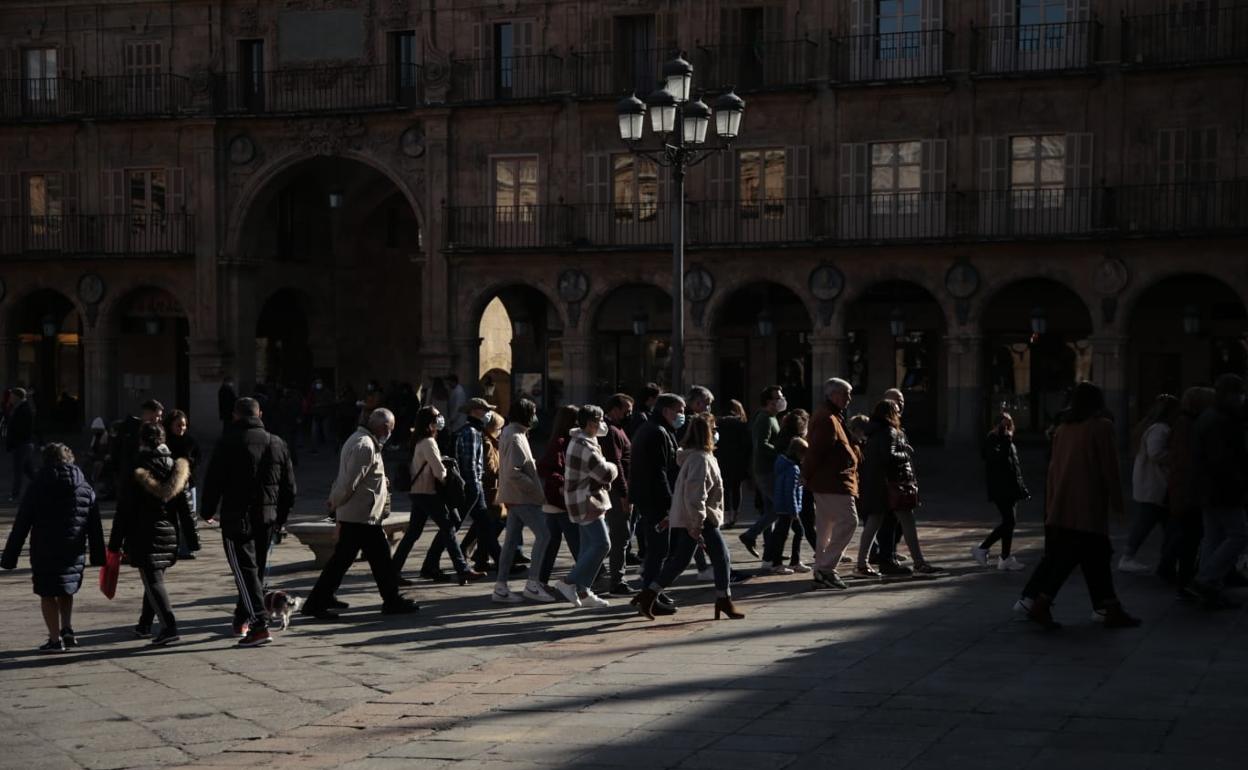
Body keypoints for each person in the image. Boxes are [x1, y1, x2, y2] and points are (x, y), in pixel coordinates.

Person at [1016, 382, 1140, 629]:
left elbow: (1053, 470)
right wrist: (1118, 503)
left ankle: (1109, 606)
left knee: (1095, 555)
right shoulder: (1101, 427)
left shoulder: (1064, 428)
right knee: (1076, 555)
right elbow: (1110, 468)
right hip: (1088, 502)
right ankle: (1043, 603)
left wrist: (1052, 505)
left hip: (1063, 502)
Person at [302, 409, 418, 618]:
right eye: (390, 428)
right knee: (375, 558)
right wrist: (334, 504)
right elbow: (349, 482)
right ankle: (390, 601)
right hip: (361, 516)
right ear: (383, 427)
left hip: (361, 514)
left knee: (350, 560)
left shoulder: (363, 441)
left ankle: (321, 600)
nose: (390, 433)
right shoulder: (364, 445)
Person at [200, 397, 297, 646]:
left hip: (237, 517)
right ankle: (242, 617)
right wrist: (280, 519)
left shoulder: (229, 442)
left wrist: (207, 510)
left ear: (235, 416)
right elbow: (290, 488)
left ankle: (259, 624)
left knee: (245, 572)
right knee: (255, 571)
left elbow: (214, 481)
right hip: (267, 518)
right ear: (260, 414)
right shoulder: (277, 443)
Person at [636, 413, 743, 620]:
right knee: (722, 558)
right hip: (701, 519)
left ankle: (648, 594)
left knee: (680, 561)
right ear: (708, 434)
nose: (716, 433)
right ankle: (724, 599)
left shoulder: (697, 457)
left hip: (693, 518)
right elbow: (696, 494)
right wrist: (697, 523)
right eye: (714, 429)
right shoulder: (700, 459)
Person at [2, 443, 105, 653]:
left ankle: (54, 638)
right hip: (73, 548)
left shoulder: (38, 485)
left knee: (48, 592)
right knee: (66, 588)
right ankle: (67, 629)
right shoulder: (84, 487)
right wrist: (98, 555)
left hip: (45, 548)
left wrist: (10, 556)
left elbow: (22, 522)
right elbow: (94, 524)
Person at [109, 422, 190, 646]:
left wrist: (114, 543)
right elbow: (185, 507)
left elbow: (124, 509)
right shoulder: (176, 466)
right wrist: (192, 539)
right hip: (169, 533)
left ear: (142, 441)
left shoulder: (137, 468)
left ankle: (169, 627)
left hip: (143, 532)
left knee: (153, 580)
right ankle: (145, 624)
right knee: (155, 579)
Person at [392, 406, 483, 585]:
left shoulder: (418, 440)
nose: (440, 420)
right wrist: (450, 477)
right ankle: (462, 570)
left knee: (413, 533)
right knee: (448, 528)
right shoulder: (428, 442)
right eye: (437, 417)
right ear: (429, 422)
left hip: (418, 492)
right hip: (428, 492)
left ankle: (393, 571)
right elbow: (439, 472)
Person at [855, 399, 938, 576]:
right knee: (907, 521)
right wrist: (905, 452)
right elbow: (889, 456)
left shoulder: (872, 432)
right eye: (896, 411)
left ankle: (861, 564)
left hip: (876, 484)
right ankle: (919, 562)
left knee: (873, 523)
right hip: (892, 485)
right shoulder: (890, 431)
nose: (899, 414)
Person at [1186, 374, 1248, 609]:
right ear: (1230, 395)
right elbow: (1223, 461)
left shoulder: (1210, 417)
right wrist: (1240, 483)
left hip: (1207, 488)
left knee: (1213, 536)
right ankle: (1206, 580)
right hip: (1222, 488)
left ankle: (1208, 585)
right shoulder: (1221, 421)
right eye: (1239, 393)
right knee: (1239, 534)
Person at [493, 398, 557, 603]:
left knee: (511, 542)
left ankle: (501, 587)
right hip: (522, 497)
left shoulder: (513, 433)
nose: (536, 417)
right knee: (544, 535)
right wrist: (534, 487)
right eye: (533, 412)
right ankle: (532, 583)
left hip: (514, 495)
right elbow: (514, 472)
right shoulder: (515, 436)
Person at [554, 405, 618, 608]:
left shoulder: (584, 440)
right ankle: (568, 582)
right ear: (591, 424)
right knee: (602, 544)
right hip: (586, 501)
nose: (603, 424)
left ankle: (584, 591)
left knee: (586, 548)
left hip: (582, 499)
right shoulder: (585, 445)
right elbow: (604, 473)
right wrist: (614, 467)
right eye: (600, 420)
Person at [628, 393, 685, 616]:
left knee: (659, 550)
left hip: (649, 498)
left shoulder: (653, 429)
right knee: (658, 550)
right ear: (666, 411)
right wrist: (670, 504)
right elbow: (659, 473)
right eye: (679, 410)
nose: (682, 415)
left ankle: (654, 592)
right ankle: (648, 595)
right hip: (655, 501)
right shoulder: (657, 432)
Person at [803, 378, 859, 590]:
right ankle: (826, 567)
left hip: (829, 480)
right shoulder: (827, 418)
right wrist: (806, 474)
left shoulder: (831, 415)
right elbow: (815, 451)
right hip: (832, 481)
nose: (848, 398)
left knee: (826, 526)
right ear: (833, 395)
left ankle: (821, 568)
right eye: (845, 394)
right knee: (849, 521)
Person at [1160, 386, 1216, 590]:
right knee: (1188, 536)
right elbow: (1187, 461)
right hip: (1187, 490)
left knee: (1185, 535)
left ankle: (1179, 573)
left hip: (1185, 489)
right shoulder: (1187, 425)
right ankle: (1184, 577)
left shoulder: (1187, 423)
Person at [1119, 394, 1180, 574]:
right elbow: (1156, 453)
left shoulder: (1151, 427)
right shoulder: (1160, 429)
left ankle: (1167, 559)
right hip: (1154, 485)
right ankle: (1128, 557)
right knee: (1146, 524)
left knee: (1162, 524)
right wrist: (1176, 456)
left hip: (1151, 485)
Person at [973, 412, 1029, 571]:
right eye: (1004, 425)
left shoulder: (1008, 441)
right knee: (1009, 522)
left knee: (1010, 523)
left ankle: (1005, 557)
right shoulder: (992, 439)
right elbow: (996, 460)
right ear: (996, 426)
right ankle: (982, 548)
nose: (1008, 429)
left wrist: (1021, 487)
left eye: (1010, 424)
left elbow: (1014, 466)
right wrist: (1005, 440)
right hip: (1000, 487)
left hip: (1010, 487)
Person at [453, 398, 503, 573]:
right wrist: (474, 486)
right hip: (473, 485)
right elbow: (470, 463)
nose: (487, 413)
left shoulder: (474, 430)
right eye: (484, 410)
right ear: (475, 411)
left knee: (485, 524)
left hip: (475, 484)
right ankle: (433, 562)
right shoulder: (472, 432)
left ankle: (500, 561)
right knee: (453, 526)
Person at [739, 386, 786, 558]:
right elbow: (762, 444)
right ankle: (750, 535)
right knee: (780, 508)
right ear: (769, 401)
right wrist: (781, 451)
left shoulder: (771, 418)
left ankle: (770, 551)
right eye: (778, 397)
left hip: (768, 469)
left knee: (770, 510)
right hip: (766, 471)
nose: (782, 400)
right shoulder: (765, 419)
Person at [537, 405, 580, 587]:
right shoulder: (562, 441)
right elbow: (546, 468)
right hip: (560, 499)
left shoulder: (560, 439)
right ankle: (587, 578)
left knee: (552, 541)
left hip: (553, 500)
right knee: (576, 541)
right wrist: (565, 483)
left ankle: (540, 580)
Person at [599, 394, 635, 595]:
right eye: (626, 409)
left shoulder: (617, 429)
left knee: (620, 536)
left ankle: (611, 577)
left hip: (621, 489)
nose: (629, 413)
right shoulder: (611, 431)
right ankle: (617, 580)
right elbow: (616, 464)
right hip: (618, 491)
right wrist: (624, 494)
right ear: (614, 409)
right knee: (620, 535)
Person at [164, 410, 203, 560]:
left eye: (184, 425)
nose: (182, 428)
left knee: (189, 517)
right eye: (178, 425)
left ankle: (186, 549)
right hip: (170, 485)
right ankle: (172, 547)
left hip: (188, 484)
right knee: (171, 517)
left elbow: (197, 459)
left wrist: (189, 469)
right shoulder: (166, 442)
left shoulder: (190, 442)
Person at [767, 437, 807, 575]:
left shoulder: (782, 463)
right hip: (788, 508)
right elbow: (790, 491)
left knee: (783, 534)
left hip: (783, 506)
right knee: (788, 534)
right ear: (798, 453)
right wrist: (794, 511)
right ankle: (779, 563)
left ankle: (791, 561)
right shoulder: (793, 469)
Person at [716, 400, 752, 529]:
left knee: (724, 488)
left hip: (722, 459)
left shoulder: (718, 423)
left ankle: (725, 516)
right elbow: (747, 445)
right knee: (736, 488)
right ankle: (734, 516)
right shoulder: (741, 424)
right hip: (737, 460)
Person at [6, 387, 36, 501]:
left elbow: (23, 428)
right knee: (29, 471)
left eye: (12, 396)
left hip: (22, 444)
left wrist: (15, 441)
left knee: (18, 470)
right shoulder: (18, 408)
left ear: (17, 397)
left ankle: (15, 495)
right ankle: (43, 486)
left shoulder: (24, 409)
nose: (10, 398)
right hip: (22, 444)